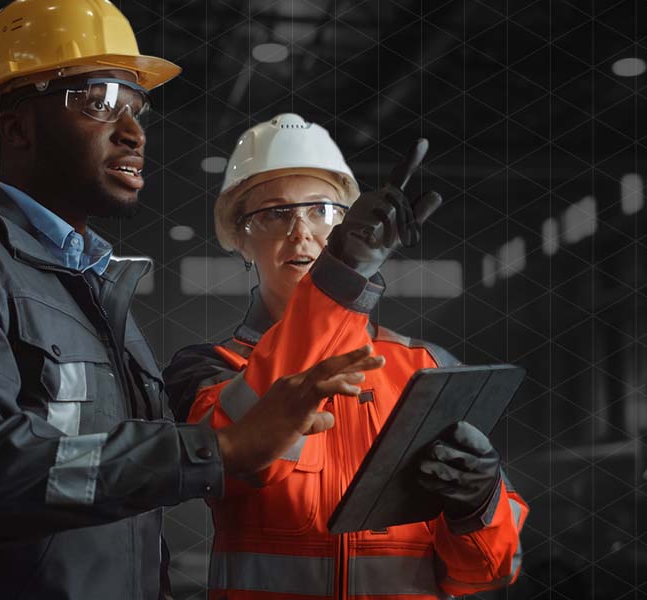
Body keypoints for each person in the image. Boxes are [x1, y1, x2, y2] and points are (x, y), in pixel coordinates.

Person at [0, 4, 383, 599]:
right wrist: (218, 448)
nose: (133, 130)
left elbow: (117, 503)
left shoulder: (91, 290)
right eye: (99, 102)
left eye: (135, 107)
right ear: (18, 129)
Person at [164, 113, 529, 598]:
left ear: (350, 221)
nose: (301, 233)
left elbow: (485, 572)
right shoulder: (208, 370)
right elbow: (239, 460)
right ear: (240, 239)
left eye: (322, 210)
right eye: (274, 213)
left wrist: (476, 504)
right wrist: (343, 275)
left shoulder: (428, 367)